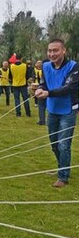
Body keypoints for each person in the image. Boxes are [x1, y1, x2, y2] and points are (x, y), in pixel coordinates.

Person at [35, 39, 79, 188]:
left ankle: (63, 176)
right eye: (50, 51)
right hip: (52, 110)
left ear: (63, 51)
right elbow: (44, 82)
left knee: (63, 144)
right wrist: (39, 88)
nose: (52, 53)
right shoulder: (46, 66)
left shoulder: (73, 67)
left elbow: (69, 88)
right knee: (54, 143)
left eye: (55, 50)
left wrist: (47, 93)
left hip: (68, 111)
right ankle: (63, 167)